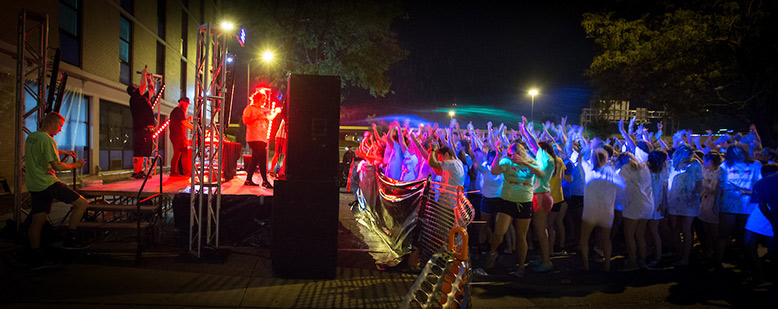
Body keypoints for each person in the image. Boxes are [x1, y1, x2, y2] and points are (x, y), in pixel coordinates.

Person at [25, 112, 91, 270]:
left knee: (37, 221)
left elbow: (44, 151)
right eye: (60, 126)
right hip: (48, 182)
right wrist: (75, 166)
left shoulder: (32, 137)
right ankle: (70, 238)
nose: (61, 129)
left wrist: (64, 153)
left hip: (34, 184)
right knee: (82, 203)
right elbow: (57, 166)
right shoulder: (48, 139)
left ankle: (35, 256)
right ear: (52, 123)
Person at [486, 142, 544, 277]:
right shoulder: (507, 161)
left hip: (524, 201)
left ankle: (521, 265)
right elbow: (494, 171)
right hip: (507, 200)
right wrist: (498, 155)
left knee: (521, 236)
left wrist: (525, 162)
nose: (513, 157)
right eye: (510, 154)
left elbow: (540, 174)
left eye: (515, 154)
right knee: (499, 232)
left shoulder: (531, 161)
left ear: (522, 152)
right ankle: (492, 253)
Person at [580, 141, 626, 272]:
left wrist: (589, 146)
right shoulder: (612, 174)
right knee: (606, 240)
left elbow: (580, 159)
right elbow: (623, 185)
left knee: (584, 239)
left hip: (590, 213)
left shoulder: (588, 171)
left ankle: (586, 266)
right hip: (607, 213)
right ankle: (607, 266)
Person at [615, 152, 653, 271]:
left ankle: (632, 262)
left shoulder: (625, 169)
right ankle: (642, 260)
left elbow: (619, 185)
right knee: (640, 234)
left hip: (633, 204)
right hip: (647, 204)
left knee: (629, 234)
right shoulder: (644, 167)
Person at [666, 145, 703, 267]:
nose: (689, 158)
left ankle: (685, 258)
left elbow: (699, 181)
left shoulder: (695, 164)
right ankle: (679, 253)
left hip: (690, 200)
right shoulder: (670, 164)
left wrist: (696, 195)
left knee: (686, 229)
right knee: (674, 228)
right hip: (673, 199)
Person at [242, 90, 276, 188]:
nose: (264, 101)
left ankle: (248, 180)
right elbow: (245, 121)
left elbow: (269, 117)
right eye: (263, 99)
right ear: (257, 99)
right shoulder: (250, 108)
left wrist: (276, 112)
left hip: (262, 138)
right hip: (254, 138)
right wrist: (257, 117)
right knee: (262, 157)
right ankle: (265, 180)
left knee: (255, 159)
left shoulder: (263, 109)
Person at [128, 66, 156, 179]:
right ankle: (136, 172)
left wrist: (149, 78)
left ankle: (140, 171)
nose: (139, 86)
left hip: (146, 129)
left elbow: (151, 90)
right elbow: (143, 85)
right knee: (138, 151)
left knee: (142, 152)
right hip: (140, 128)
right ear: (133, 90)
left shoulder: (143, 98)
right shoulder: (134, 98)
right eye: (136, 86)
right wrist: (143, 74)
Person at [169, 97, 192, 177]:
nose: (187, 106)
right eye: (186, 104)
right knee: (184, 152)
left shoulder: (176, 111)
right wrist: (194, 127)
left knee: (177, 154)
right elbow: (183, 123)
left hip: (175, 135)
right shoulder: (179, 111)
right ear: (182, 102)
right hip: (178, 136)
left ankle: (174, 172)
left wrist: (187, 120)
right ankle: (186, 172)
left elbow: (180, 122)